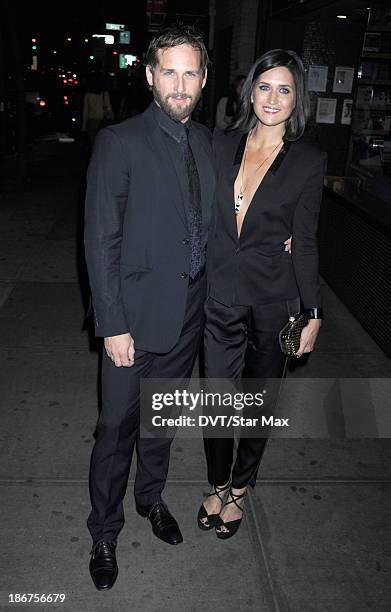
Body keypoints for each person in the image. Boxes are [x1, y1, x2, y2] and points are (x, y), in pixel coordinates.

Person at [84, 25, 214, 590]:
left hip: (189, 315)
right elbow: (100, 239)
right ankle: (104, 531)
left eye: (191, 73)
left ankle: (150, 499)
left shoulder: (209, 142)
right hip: (132, 320)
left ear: (204, 80)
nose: (180, 84)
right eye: (170, 71)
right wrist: (111, 323)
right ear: (149, 76)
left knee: (160, 423)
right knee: (116, 429)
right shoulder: (121, 142)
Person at [198, 49, 326, 539]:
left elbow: (307, 239)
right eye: (265, 86)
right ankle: (216, 481)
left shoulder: (309, 160)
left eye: (285, 89)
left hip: (275, 300)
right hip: (219, 298)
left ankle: (240, 487)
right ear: (250, 90)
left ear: (297, 100)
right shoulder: (219, 144)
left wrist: (312, 311)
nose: (273, 98)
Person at [82, 73, 114, 146]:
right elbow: (109, 107)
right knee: (102, 143)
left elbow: (85, 111)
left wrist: (83, 126)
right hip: (102, 119)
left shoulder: (88, 95)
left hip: (91, 120)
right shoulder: (104, 93)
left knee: (93, 142)